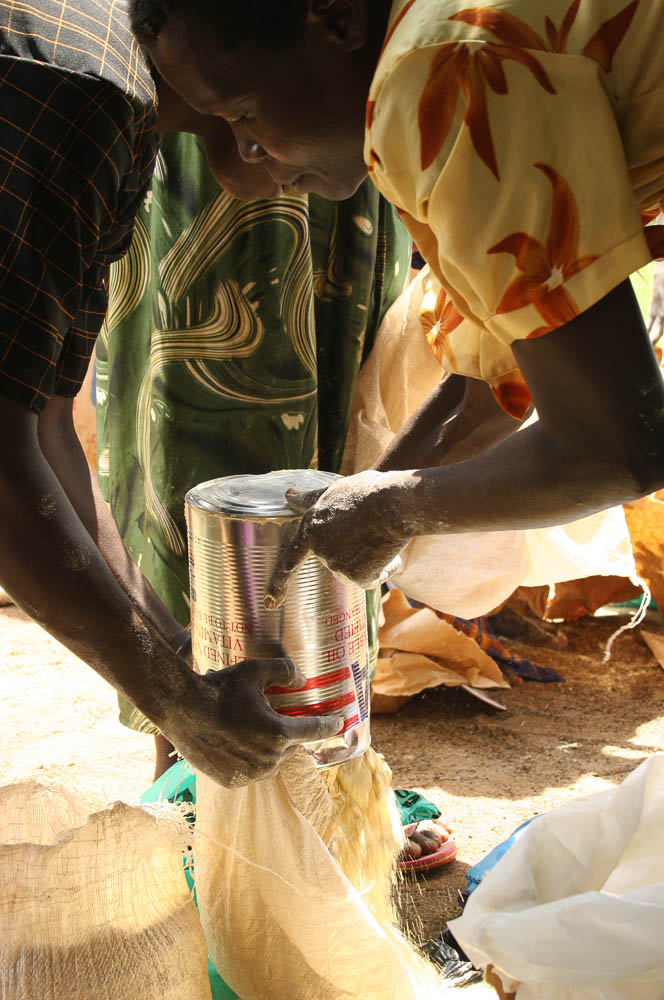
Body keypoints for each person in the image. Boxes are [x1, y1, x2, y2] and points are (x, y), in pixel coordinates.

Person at [130, 0, 664, 606]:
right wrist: (367, 495)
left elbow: (618, 448)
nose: (246, 153)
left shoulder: (437, 74)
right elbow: (491, 384)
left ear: (338, 21)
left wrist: (390, 513)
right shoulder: (430, 48)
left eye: (244, 114)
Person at [0, 0, 346, 789]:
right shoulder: (82, 95)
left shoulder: (122, 107)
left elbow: (45, 428)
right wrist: (177, 703)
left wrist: (177, 656)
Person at [97, 127, 410, 776]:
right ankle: (191, 757)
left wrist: (397, 504)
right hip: (194, 171)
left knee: (345, 444)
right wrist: (174, 682)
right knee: (189, 426)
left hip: (334, 163)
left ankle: (338, 758)